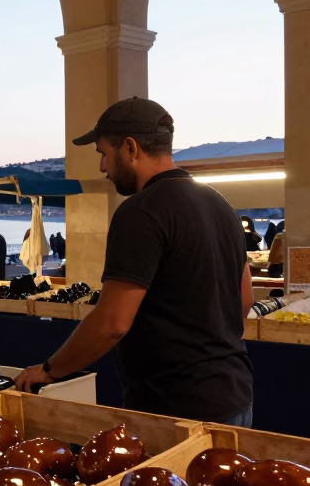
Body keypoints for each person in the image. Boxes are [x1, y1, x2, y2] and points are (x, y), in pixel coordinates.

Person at [15, 97, 254, 426]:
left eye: (103, 153)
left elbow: (112, 324)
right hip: (235, 396)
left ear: (130, 148)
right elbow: (244, 301)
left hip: (175, 407)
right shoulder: (221, 206)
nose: (102, 167)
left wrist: (48, 370)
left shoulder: (141, 212)